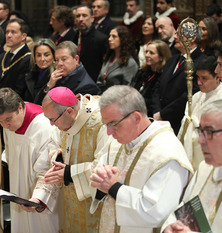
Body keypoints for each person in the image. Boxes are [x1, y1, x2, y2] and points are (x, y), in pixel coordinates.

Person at [90, 85, 193, 233]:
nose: (109, 132)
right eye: (106, 124)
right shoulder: (117, 143)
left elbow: (157, 212)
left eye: (113, 124)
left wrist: (114, 188)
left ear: (136, 117)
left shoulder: (167, 153)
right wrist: (99, 181)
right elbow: (101, 182)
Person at [41, 86, 109, 232]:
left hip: (94, 206)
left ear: (69, 111)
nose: (51, 124)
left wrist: (68, 173)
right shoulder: (63, 116)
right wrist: (59, 157)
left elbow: (105, 165)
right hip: (69, 201)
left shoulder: (101, 121)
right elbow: (54, 142)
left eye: (52, 120)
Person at [0, 87, 59, 233]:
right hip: (19, 191)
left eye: (8, 119)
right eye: (0, 122)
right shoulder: (8, 123)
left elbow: (48, 168)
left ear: (20, 107)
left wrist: (38, 198)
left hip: (41, 196)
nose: (5, 126)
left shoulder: (44, 125)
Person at [162, 99, 222, 233]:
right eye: (201, 131)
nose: (200, 140)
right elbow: (187, 208)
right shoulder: (205, 169)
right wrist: (171, 226)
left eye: (210, 132)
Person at [152, 25, 206, 135]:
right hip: (159, 120)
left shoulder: (202, 61)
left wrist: (163, 114)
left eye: (178, 34)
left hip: (179, 121)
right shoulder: (172, 60)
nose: (175, 36)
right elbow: (158, 86)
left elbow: (191, 93)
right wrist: (157, 111)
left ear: (192, 38)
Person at [178, 56, 222, 170]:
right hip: (191, 149)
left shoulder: (220, 100)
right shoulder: (196, 97)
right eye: (198, 78)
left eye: (204, 78)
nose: (199, 82)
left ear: (217, 78)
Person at [130, 40, 171, 117]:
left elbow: (154, 101)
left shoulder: (163, 76)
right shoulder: (142, 72)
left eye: (151, 53)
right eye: (146, 52)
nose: (147, 55)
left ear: (161, 57)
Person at [97, 26, 138, 93]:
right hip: (101, 97)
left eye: (114, 36)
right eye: (109, 36)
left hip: (118, 100)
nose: (109, 39)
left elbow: (127, 90)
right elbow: (100, 80)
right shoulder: (109, 57)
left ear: (123, 39)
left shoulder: (130, 63)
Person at [0, 18, 31, 99]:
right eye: (7, 32)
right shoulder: (5, 55)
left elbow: (20, 89)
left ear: (23, 36)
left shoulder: (28, 58)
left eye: (13, 32)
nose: (8, 35)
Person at [74, 5, 108, 82]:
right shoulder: (73, 36)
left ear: (92, 18)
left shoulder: (101, 39)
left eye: (84, 15)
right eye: (78, 16)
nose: (81, 19)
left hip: (92, 82)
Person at [25, 38, 56, 105]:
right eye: (38, 55)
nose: (42, 59)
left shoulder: (57, 76)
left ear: (54, 56)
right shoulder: (30, 74)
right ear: (34, 57)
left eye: (46, 55)